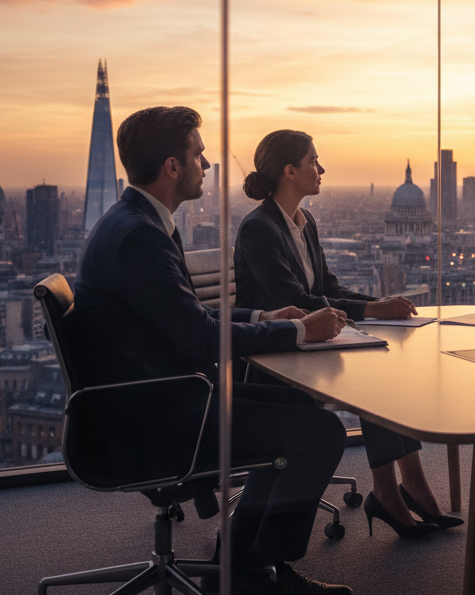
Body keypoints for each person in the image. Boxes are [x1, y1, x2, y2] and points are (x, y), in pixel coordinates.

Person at [73, 106, 353, 595]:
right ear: (172, 167)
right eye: (198, 156)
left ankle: (241, 562)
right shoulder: (141, 236)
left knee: (295, 407)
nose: (206, 165)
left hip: (155, 399)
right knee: (321, 433)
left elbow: (187, 321)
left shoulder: (136, 222)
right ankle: (262, 574)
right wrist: (300, 333)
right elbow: (201, 339)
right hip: (158, 417)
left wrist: (263, 318)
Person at [234, 129, 462, 539]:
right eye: (313, 162)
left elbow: (330, 289)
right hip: (276, 357)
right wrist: (368, 309)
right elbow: (296, 299)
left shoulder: (305, 223)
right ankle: (394, 492)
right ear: (290, 171)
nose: (322, 169)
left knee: (386, 369)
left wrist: (376, 305)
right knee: (375, 375)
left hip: (311, 345)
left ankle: (403, 488)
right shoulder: (258, 229)